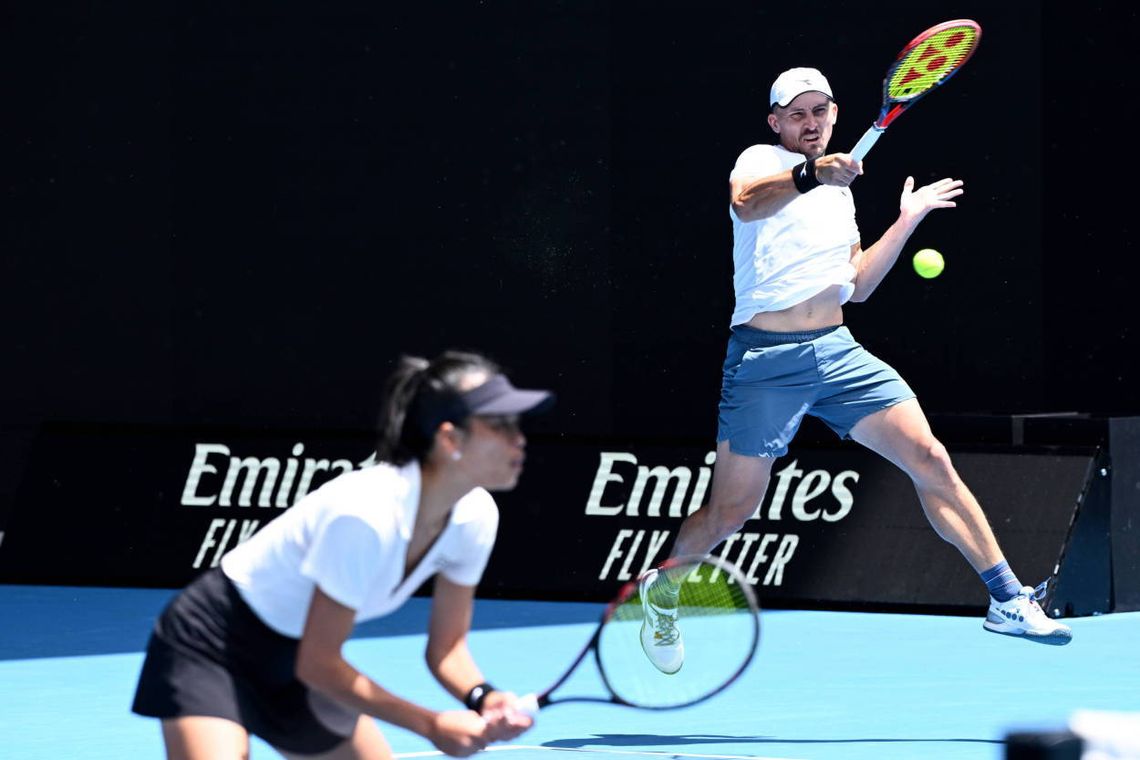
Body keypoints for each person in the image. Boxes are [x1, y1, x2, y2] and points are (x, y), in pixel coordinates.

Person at [637, 66, 1071, 674]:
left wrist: (908, 217)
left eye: (820, 111)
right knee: (732, 511)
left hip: (838, 352)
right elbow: (747, 201)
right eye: (797, 114)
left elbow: (858, 285)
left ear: (835, 115)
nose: (810, 123)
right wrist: (812, 172)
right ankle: (663, 588)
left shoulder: (841, 194)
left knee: (931, 460)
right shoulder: (758, 161)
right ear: (775, 122)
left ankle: (1006, 598)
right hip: (766, 359)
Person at [132, 350, 552, 759]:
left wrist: (483, 696)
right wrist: (430, 725)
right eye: (498, 425)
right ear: (449, 439)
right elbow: (319, 665)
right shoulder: (366, 516)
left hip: (295, 662)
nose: (519, 439)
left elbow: (446, 649)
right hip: (212, 645)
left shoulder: (476, 517)